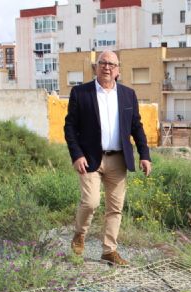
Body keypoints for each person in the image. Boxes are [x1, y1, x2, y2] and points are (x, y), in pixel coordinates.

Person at [64, 50, 152, 266]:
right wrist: (76, 155)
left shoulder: (128, 95)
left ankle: (109, 250)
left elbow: (136, 126)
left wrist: (144, 154)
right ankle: (79, 234)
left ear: (118, 70)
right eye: (103, 63)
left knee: (115, 208)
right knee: (91, 202)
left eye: (112, 64)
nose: (107, 67)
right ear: (96, 67)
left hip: (118, 159)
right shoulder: (80, 93)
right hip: (90, 158)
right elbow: (70, 127)